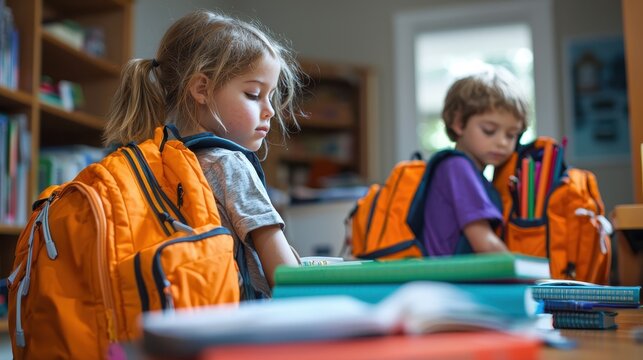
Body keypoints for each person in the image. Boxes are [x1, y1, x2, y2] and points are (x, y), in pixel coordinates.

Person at [103, 9, 302, 299]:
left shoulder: (156, 160)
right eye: (253, 94)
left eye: (270, 96)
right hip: (240, 327)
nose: (270, 110)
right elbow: (284, 275)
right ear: (201, 89)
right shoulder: (229, 163)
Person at [423, 66, 529, 256]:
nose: (502, 142)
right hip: (449, 281)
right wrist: (526, 273)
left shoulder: (469, 173)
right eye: (489, 130)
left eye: (512, 135)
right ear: (458, 123)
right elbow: (484, 243)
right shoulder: (457, 168)